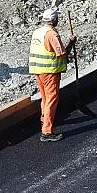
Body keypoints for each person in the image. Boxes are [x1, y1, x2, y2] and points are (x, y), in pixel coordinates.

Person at [28, 8, 75, 142]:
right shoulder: (52, 34)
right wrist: (71, 42)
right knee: (51, 100)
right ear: (54, 20)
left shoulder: (38, 32)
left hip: (38, 70)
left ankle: (44, 120)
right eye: (57, 19)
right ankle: (47, 132)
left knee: (45, 98)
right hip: (50, 72)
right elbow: (62, 53)